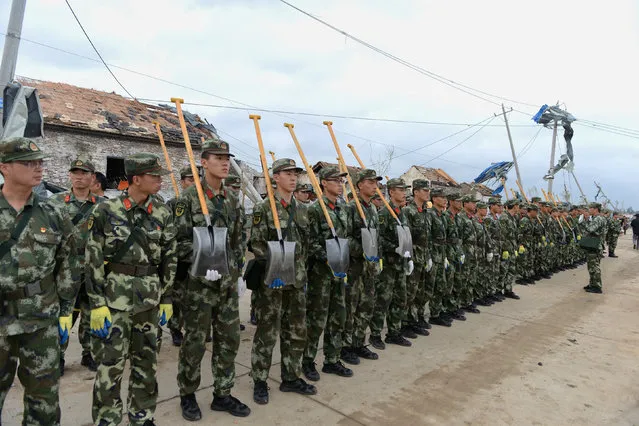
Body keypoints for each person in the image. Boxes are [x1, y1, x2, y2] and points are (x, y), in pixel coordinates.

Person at [85, 153, 176, 426]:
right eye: (154, 176)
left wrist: (167, 298)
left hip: (149, 302)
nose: (159, 180)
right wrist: (96, 303)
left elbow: (170, 257)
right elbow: (92, 259)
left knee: (146, 363)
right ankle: (107, 418)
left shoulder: (162, 212)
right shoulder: (106, 211)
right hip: (114, 301)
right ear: (136, 179)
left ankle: (142, 415)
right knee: (110, 366)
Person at [0, 137, 80, 426]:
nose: (37, 168)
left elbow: (69, 264)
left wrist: (66, 311)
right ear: (4, 168)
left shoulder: (54, 212)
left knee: (43, 400)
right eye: (27, 162)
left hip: (41, 320)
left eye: (40, 162)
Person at [174, 139, 250, 420]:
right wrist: (203, 257)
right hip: (199, 287)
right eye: (217, 157)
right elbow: (176, 242)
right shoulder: (188, 199)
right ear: (204, 163)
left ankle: (223, 393)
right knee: (194, 343)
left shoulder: (230, 199)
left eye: (226, 157)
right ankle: (188, 394)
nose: (224, 162)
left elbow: (239, 238)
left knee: (229, 340)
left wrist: (236, 268)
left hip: (227, 285)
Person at [249, 158, 317, 405]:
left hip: (296, 281)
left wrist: (301, 272)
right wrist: (274, 264)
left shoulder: (301, 209)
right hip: (273, 281)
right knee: (267, 332)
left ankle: (291, 376)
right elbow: (255, 243)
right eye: (287, 173)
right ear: (275, 177)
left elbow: (306, 245)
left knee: (296, 332)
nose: (293, 178)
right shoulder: (264, 209)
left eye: (295, 174)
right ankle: (259, 380)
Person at [48, 158, 104, 375]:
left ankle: (88, 354)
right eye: (75, 172)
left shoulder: (102, 205)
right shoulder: (55, 202)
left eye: (84, 173)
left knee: (91, 314)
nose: (79, 176)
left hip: (92, 270)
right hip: (64, 270)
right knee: (63, 314)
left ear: (93, 177)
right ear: (70, 175)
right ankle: (58, 357)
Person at [302, 166, 354, 381]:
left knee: (337, 316)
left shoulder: (343, 209)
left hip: (339, 272)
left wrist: (342, 259)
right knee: (317, 319)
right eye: (336, 181)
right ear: (323, 183)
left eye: (342, 182)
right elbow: (308, 242)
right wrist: (327, 256)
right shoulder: (315, 210)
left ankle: (332, 359)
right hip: (321, 273)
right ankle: (307, 360)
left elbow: (347, 236)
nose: (340, 185)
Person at [341, 169, 383, 365]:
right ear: (359, 185)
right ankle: (346, 347)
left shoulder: (373, 209)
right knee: (351, 309)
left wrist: (376, 256)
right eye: (370, 182)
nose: (374, 185)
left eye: (376, 182)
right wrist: (362, 249)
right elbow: (345, 237)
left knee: (366, 306)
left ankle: (359, 343)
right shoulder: (351, 208)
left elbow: (376, 237)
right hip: (355, 267)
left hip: (369, 268)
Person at [369, 178, 414, 348]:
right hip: (388, 265)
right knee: (383, 300)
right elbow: (378, 239)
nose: (404, 193)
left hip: (400, 264)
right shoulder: (384, 214)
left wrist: (409, 257)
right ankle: (375, 334)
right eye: (401, 190)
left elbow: (406, 237)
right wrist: (393, 248)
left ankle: (394, 332)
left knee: (399, 299)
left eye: (404, 190)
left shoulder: (402, 212)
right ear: (392, 192)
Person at [161, 166, 195, 348]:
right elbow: (170, 232)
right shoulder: (174, 203)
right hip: (181, 258)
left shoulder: (203, 204)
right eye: (190, 180)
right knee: (178, 297)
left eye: (196, 180)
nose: (193, 183)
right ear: (182, 182)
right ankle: (175, 328)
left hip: (200, 260)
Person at [402, 179, 432, 335]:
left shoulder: (426, 211)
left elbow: (428, 237)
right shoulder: (408, 211)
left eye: (428, 191)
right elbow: (407, 238)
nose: (428, 193)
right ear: (416, 192)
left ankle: (415, 319)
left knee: (420, 291)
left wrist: (428, 256)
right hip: (413, 257)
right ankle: (405, 323)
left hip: (423, 257)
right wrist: (409, 258)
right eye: (424, 190)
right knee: (410, 292)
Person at [427, 189, 452, 326]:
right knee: (431, 286)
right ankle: (431, 314)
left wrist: (446, 255)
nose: (445, 200)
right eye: (442, 197)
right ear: (434, 199)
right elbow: (428, 236)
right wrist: (429, 256)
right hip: (433, 254)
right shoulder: (430, 214)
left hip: (441, 254)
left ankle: (437, 312)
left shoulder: (442, 215)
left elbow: (445, 237)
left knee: (441, 285)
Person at [582, 203, 607, 294]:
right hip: (594, 244)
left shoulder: (598, 219)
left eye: (590, 208)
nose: (589, 210)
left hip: (595, 245)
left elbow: (590, 229)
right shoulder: (597, 218)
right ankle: (592, 284)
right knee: (591, 266)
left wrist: (584, 221)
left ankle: (597, 286)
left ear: (595, 209)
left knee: (594, 267)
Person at [498, 199, 521, 300]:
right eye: (518, 206)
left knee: (511, 269)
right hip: (505, 248)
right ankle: (498, 290)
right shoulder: (504, 217)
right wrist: (505, 249)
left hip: (512, 247)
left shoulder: (513, 217)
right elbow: (502, 235)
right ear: (514, 206)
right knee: (503, 270)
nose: (519, 208)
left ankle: (508, 289)